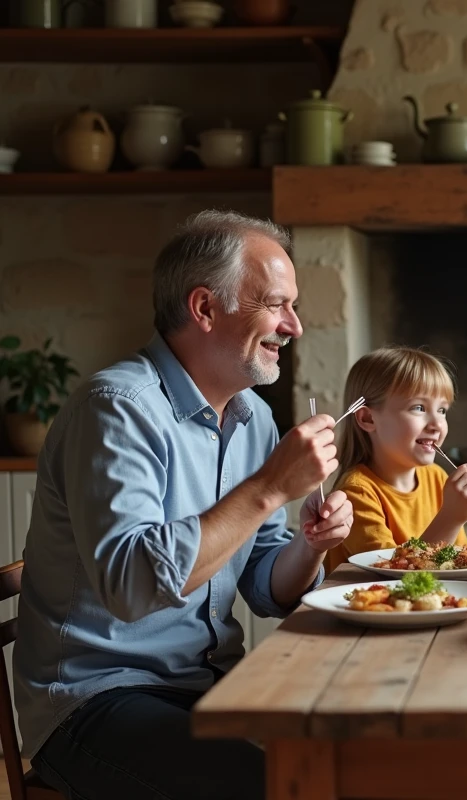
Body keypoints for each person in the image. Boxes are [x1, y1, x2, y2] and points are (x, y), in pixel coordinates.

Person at [13, 210, 354, 800]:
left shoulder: (254, 420)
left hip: (210, 686)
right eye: (277, 304)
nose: (294, 326)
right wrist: (270, 487)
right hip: (96, 703)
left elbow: (265, 588)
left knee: (359, 756)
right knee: (272, 787)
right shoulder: (116, 409)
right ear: (204, 308)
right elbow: (132, 588)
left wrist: (310, 544)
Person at [322, 345, 467, 573]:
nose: (436, 425)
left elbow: (461, 562)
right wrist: (451, 517)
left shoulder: (437, 478)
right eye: (419, 407)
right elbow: (394, 577)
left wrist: (457, 515)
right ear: (367, 418)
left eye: (442, 410)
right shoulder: (356, 494)